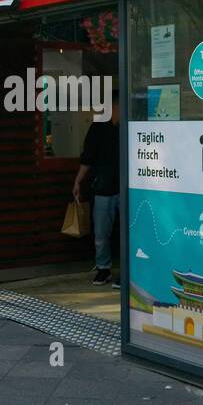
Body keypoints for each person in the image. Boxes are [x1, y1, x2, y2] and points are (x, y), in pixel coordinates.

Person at [73, 92, 120, 287]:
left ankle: (126, 271)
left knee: (128, 232)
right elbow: (88, 158)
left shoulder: (131, 126)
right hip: (103, 187)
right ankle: (103, 269)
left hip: (129, 187)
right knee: (101, 232)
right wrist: (78, 181)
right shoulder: (98, 128)